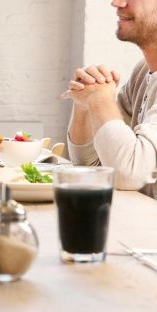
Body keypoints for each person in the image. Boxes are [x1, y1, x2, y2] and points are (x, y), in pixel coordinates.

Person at [65, 0, 157, 191]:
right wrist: (84, 105)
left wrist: (99, 100)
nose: (117, 3)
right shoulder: (143, 71)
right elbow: (91, 166)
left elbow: (131, 174)